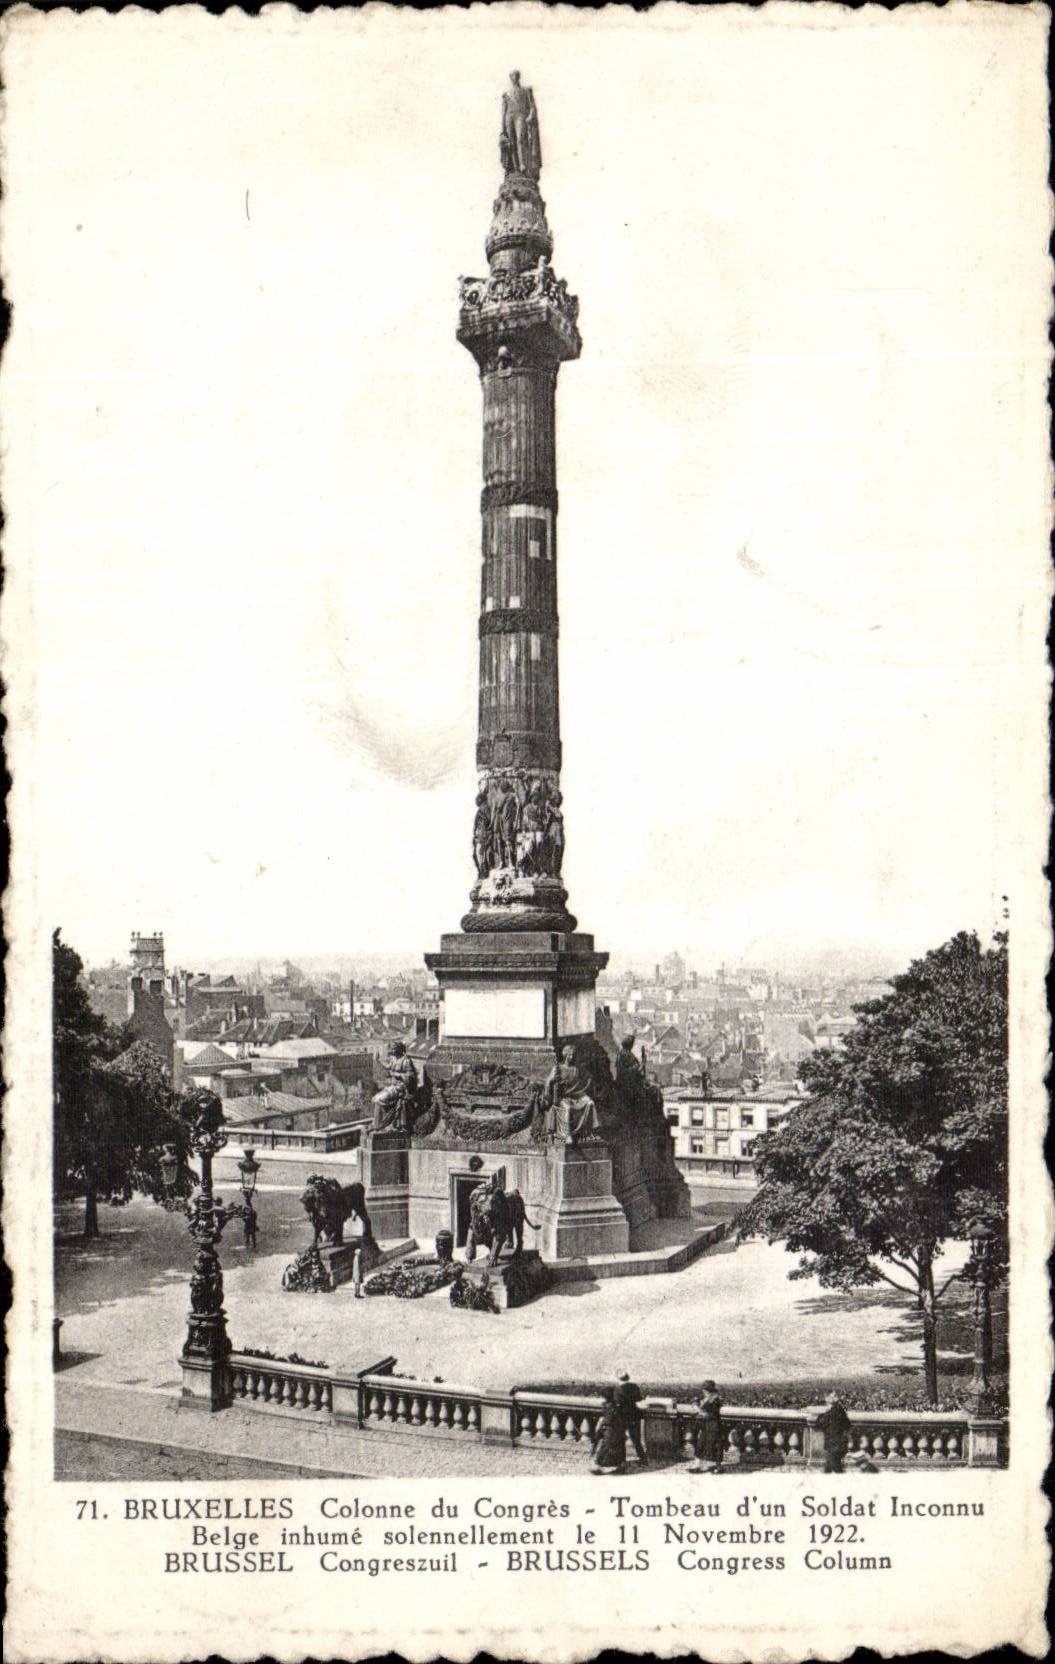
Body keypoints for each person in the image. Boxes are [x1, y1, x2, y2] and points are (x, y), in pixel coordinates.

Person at [372, 1041, 418, 1132]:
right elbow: (388, 1066)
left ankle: (383, 1123)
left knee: (380, 1099)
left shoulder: (406, 1061)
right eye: (392, 1049)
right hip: (393, 1087)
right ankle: (379, 1124)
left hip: (401, 1088)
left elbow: (411, 1077)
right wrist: (378, 1060)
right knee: (375, 1098)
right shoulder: (394, 1059)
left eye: (393, 1048)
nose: (392, 1050)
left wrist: (398, 1075)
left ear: (399, 1049)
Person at [589, 1388, 627, 1475]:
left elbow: (607, 1421)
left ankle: (598, 1466)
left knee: (605, 1448)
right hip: (618, 1430)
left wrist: (600, 1431)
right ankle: (620, 1466)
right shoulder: (615, 1405)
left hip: (611, 1430)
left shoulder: (609, 1406)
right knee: (618, 1448)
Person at [689, 1380, 724, 1473]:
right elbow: (694, 1401)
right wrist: (696, 1405)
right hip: (706, 1426)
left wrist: (699, 1411)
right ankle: (697, 1465)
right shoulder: (706, 1398)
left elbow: (711, 1414)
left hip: (714, 1426)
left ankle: (717, 1467)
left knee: (715, 1446)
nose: (704, 1392)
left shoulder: (716, 1400)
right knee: (701, 1445)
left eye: (705, 1390)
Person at [614, 1370, 646, 1464]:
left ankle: (622, 1460)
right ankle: (642, 1459)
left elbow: (617, 1405)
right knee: (636, 1440)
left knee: (621, 1439)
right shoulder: (634, 1387)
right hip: (635, 1416)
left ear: (618, 1378)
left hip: (623, 1417)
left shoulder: (618, 1390)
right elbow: (639, 1399)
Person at [816, 1391, 852, 1474]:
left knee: (835, 1467)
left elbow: (819, 1423)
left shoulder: (834, 1411)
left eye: (832, 1396)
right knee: (829, 1467)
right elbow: (847, 1425)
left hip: (834, 1443)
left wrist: (822, 1414)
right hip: (837, 1443)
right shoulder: (839, 1410)